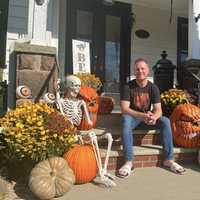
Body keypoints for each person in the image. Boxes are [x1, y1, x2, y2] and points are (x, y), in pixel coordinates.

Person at [117, 58, 186, 178]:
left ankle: (168, 159)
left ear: (147, 70)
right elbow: (124, 109)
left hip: (147, 117)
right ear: (135, 71)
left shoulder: (153, 87)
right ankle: (129, 162)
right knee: (126, 119)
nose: (140, 71)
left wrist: (154, 117)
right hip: (134, 118)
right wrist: (143, 115)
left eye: (142, 68)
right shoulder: (128, 86)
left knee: (164, 120)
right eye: (137, 69)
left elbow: (159, 109)